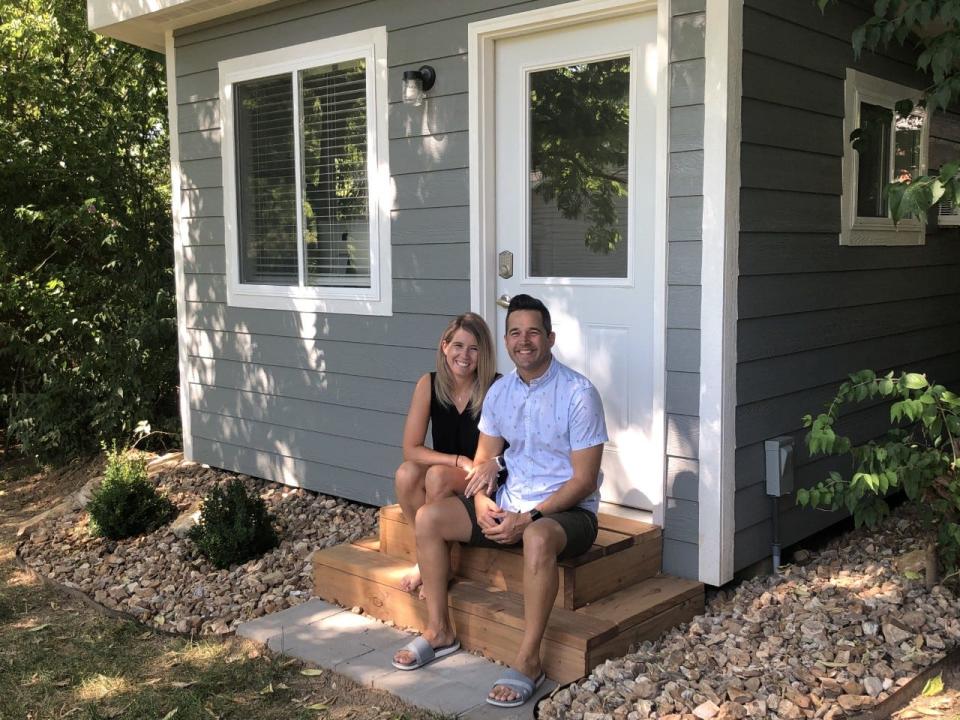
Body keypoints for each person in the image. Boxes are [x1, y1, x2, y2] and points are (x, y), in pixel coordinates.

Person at [391, 295, 607, 710]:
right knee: (431, 518)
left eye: (533, 332)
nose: (523, 341)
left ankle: (528, 662)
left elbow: (583, 480)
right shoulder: (500, 392)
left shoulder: (579, 393)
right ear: (507, 341)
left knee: (539, 539)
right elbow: (482, 461)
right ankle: (439, 631)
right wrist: (483, 501)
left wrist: (530, 517)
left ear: (550, 338)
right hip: (508, 501)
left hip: (565, 512)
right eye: (515, 333)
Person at [393, 312, 499, 594]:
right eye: (458, 346)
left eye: (474, 348)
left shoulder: (496, 387)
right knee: (406, 474)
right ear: (445, 347)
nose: (465, 355)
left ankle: (437, 567)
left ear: (484, 353)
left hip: (484, 478)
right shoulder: (429, 384)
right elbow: (410, 449)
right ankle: (427, 558)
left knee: (437, 477)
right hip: (451, 472)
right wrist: (455, 460)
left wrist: (464, 465)